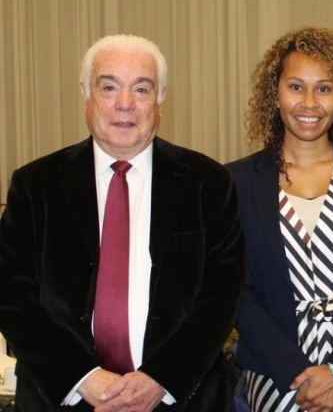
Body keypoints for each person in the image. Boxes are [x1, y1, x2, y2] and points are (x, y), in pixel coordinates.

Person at [0, 34, 245, 411]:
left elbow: (221, 296)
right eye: (109, 86)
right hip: (64, 397)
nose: (125, 104)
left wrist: (159, 380)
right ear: (85, 93)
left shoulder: (207, 183)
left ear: (161, 97)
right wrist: (83, 379)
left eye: (142, 89)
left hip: (179, 398)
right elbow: (13, 298)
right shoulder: (36, 186)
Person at [228, 26, 333, 412]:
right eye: (296, 87)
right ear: (274, 94)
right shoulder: (237, 182)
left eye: (324, 88)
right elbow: (238, 294)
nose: (309, 102)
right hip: (278, 375)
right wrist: (303, 378)